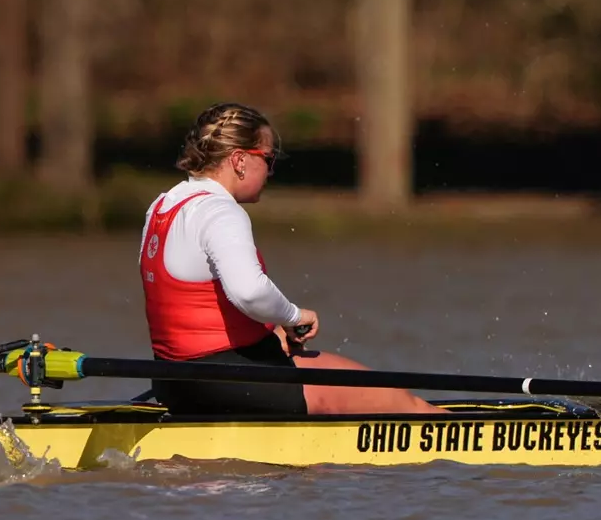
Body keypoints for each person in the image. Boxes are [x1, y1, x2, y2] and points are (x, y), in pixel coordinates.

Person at [139, 102, 438, 416]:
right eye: (267, 159)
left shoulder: (163, 206)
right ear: (239, 160)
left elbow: (192, 301)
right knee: (407, 406)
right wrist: (292, 316)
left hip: (173, 382)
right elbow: (250, 292)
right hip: (234, 381)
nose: (271, 171)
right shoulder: (220, 211)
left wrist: (271, 329)